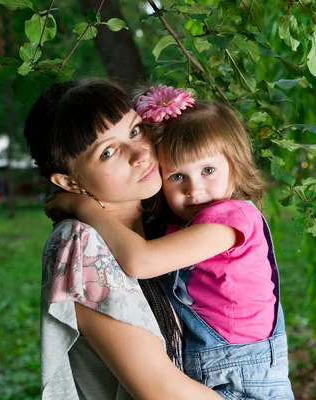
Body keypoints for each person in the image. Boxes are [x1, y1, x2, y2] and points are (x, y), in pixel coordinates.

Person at [47, 85, 294, 399]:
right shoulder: (93, 242)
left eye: (208, 170)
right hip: (210, 376)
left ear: (235, 165)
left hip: (245, 382)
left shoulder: (234, 218)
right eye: (177, 176)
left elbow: (141, 261)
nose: (194, 189)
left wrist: (83, 206)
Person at [24, 78, 222, 400]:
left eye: (134, 130)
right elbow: (162, 392)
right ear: (69, 182)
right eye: (108, 152)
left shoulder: (161, 225)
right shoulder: (78, 245)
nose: (140, 154)